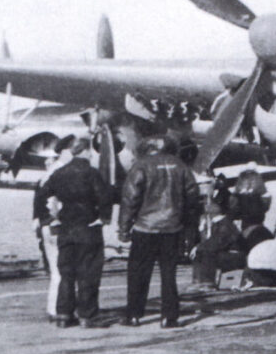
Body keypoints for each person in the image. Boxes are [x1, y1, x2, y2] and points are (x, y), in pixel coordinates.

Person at [118, 135, 200, 328]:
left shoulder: (141, 166)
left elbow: (130, 199)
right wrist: (190, 228)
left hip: (145, 228)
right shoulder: (181, 166)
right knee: (168, 274)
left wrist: (124, 228)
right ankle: (169, 317)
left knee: (138, 273)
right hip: (172, 228)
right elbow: (192, 199)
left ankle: (134, 315)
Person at [38, 138, 114, 328]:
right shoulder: (91, 173)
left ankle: (63, 314)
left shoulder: (59, 173)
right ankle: (87, 315)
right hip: (88, 227)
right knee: (88, 273)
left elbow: (42, 195)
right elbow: (104, 197)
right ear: (86, 152)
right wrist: (104, 217)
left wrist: (49, 217)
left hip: (66, 227)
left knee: (67, 273)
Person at [34, 156, 64, 321]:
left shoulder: (42, 183)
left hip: (46, 226)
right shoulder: (55, 185)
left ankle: (53, 308)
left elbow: (38, 207)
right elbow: (55, 209)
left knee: (55, 272)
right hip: (56, 227)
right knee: (62, 271)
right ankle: (59, 308)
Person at [190, 201, 244, 290]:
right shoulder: (216, 223)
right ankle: (197, 281)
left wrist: (198, 247)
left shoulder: (225, 224)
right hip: (224, 252)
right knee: (201, 252)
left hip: (234, 254)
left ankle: (207, 283)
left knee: (207, 253)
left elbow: (217, 243)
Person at [229, 162, 270, 229]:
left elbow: (234, 197)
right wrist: (263, 209)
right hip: (257, 212)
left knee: (246, 230)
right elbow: (265, 196)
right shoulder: (257, 178)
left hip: (244, 213)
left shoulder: (241, 178)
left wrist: (236, 213)